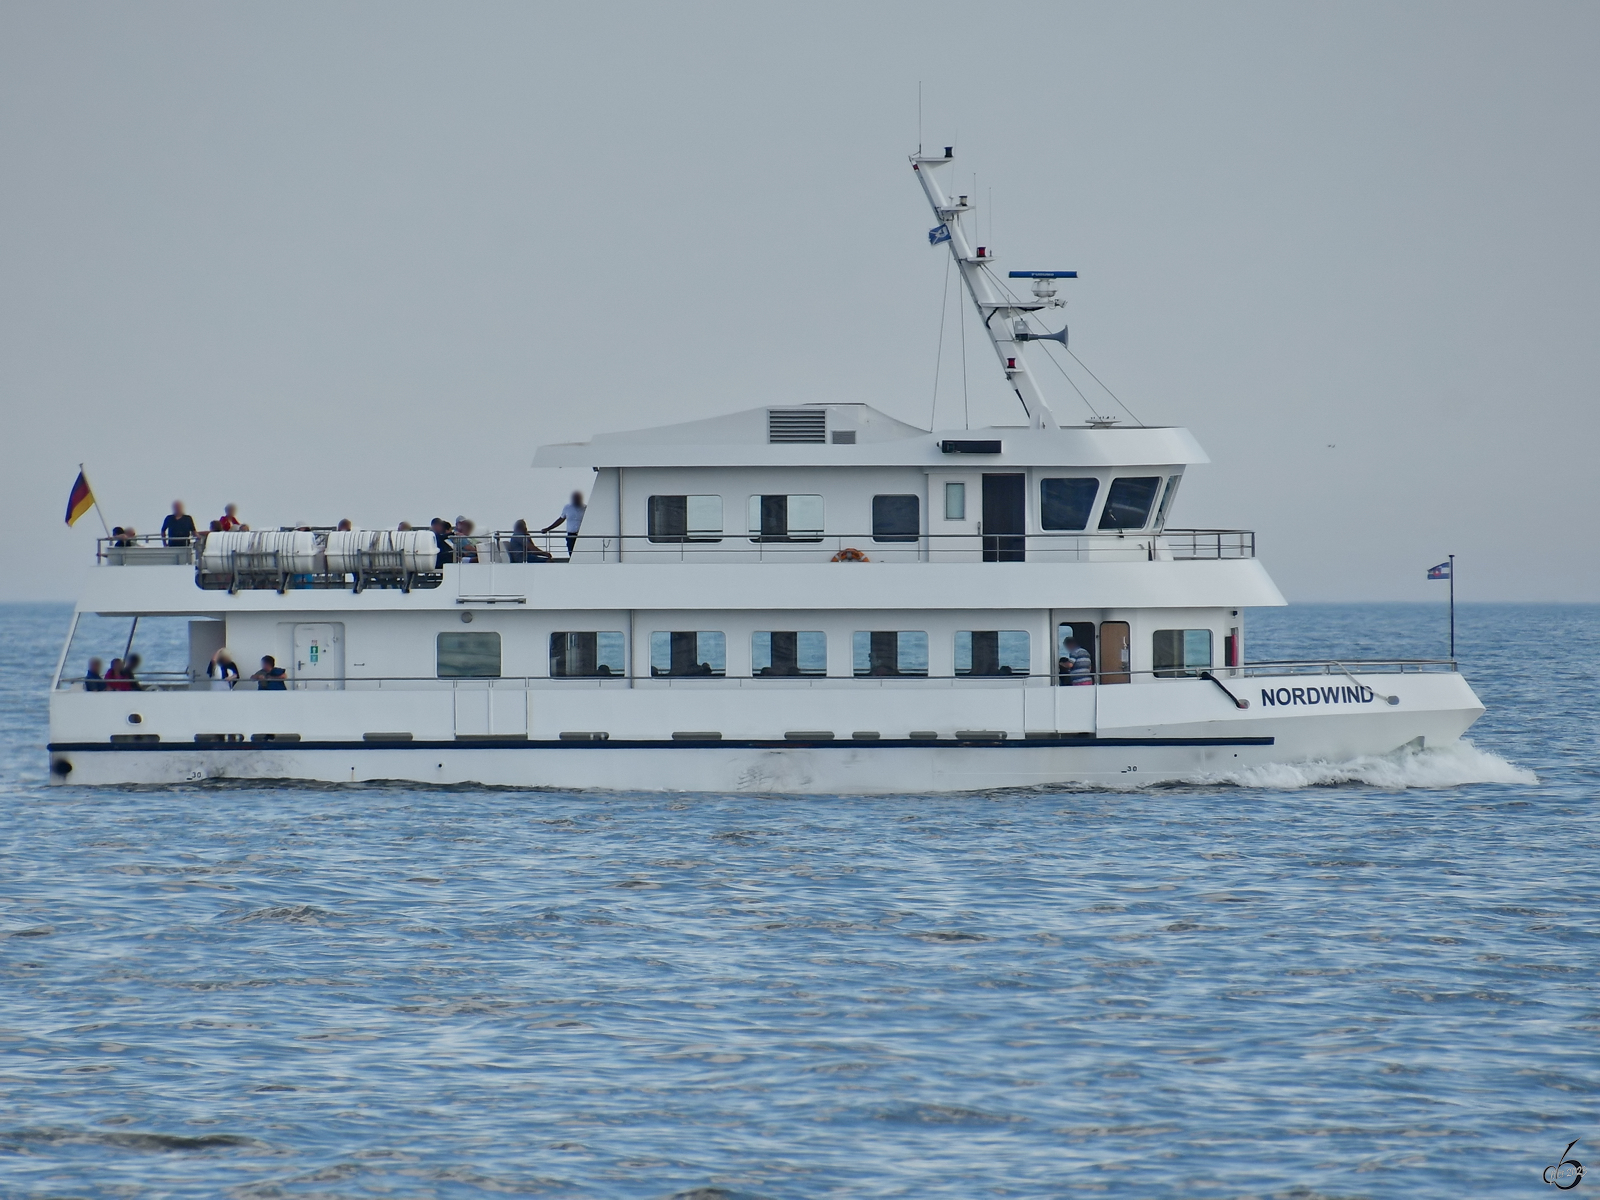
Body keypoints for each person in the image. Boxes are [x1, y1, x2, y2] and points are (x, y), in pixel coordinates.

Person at [542, 491, 586, 558]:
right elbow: (561, 519)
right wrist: (548, 528)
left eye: (578, 498)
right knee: (572, 555)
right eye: (575, 498)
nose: (577, 500)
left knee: (582, 555)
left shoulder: (585, 508)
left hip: (582, 536)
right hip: (571, 535)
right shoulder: (567, 508)